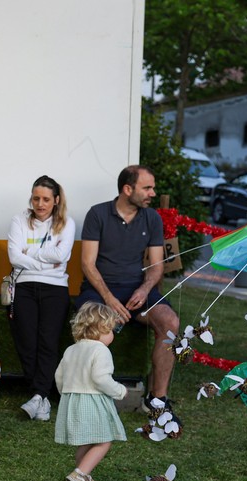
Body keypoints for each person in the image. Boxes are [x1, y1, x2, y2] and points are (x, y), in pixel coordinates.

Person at [75, 165, 181, 419]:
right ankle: (88, 400)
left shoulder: (152, 218)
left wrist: (145, 289)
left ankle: (157, 401)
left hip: (138, 292)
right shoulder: (97, 214)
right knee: (92, 326)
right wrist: (109, 300)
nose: (152, 193)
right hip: (100, 290)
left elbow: (156, 266)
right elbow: (87, 264)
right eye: (147, 188)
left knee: (170, 322)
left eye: (152, 188)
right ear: (127, 189)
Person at [7, 175, 76, 421]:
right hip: (24, 285)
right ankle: (42, 399)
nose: (40, 203)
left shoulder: (67, 223)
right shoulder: (19, 220)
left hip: (55, 288)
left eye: (46, 199)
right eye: (36, 198)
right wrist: (48, 261)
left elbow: (63, 254)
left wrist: (30, 253)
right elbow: (15, 258)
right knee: (27, 341)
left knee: (47, 342)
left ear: (56, 200)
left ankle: (39, 395)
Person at [54, 302, 128, 481]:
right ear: (101, 328)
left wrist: (66, 395)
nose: (112, 335)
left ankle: (84, 474)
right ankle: (79, 474)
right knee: (104, 440)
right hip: (92, 400)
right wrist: (119, 390)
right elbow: (101, 378)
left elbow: (59, 376)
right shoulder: (101, 350)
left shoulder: (71, 349)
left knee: (87, 440)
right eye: (111, 330)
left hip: (72, 400)